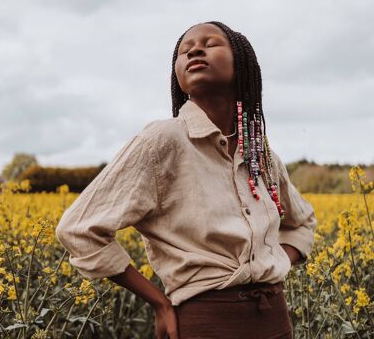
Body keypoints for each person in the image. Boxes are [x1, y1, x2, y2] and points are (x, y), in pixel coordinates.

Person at [55, 21, 318, 339]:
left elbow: (301, 223)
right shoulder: (162, 141)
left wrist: (275, 260)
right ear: (177, 74)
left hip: (274, 321)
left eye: (211, 43)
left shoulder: (257, 152)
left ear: (242, 63)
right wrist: (159, 303)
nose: (195, 49)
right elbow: (79, 229)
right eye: (184, 49)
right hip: (205, 323)